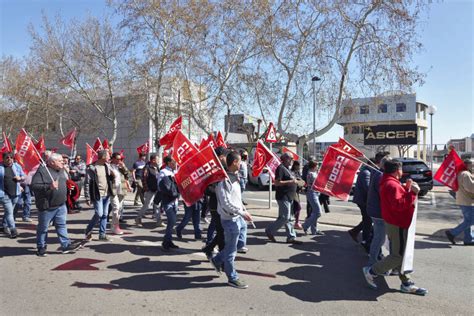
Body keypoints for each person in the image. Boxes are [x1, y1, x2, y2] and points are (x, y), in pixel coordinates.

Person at [363, 160, 428, 295]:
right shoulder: (391, 184)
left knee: (401, 254)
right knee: (397, 256)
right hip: (397, 223)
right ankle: (371, 271)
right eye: (401, 169)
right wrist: (413, 193)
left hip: (395, 222)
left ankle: (406, 282)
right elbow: (399, 204)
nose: (402, 171)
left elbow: (396, 198)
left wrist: (406, 188)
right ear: (396, 170)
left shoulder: (389, 181)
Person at [210, 151, 253, 289]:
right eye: (239, 161)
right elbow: (226, 203)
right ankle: (232, 277)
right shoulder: (223, 181)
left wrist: (243, 211)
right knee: (231, 250)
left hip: (238, 218)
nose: (241, 164)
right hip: (229, 220)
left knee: (239, 243)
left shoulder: (235, 178)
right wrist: (241, 212)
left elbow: (237, 199)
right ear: (234, 162)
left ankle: (217, 259)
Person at [31, 153, 82, 256]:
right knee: (43, 228)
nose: (63, 162)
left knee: (61, 225)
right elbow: (34, 186)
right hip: (47, 206)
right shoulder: (42, 171)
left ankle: (65, 245)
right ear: (52, 162)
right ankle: (41, 247)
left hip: (61, 204)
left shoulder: (62, 170)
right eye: (60, 160)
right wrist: (49, 186)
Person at [265, 153, 302, 244]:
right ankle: (269, 230)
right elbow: (277, 183)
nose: (292, 160)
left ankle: (291, 237)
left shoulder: (288, 169)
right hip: (283, 196)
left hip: (290, 196)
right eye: (290, 158)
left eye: (292, 159)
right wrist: (291, 181)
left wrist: (298, 182)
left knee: (289, 218)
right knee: (285, 217)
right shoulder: (280, 168)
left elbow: (293, 180)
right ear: (285, 159)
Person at [202, 147, 230, 257]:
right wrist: (220, 191)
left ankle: (209, 248)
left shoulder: (224, 169)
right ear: (221, 157)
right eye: (225, 155)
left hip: (223, 205)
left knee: (221, 231)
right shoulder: (213, 170)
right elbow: (207, 189)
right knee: (221, 231)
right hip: (215, 205)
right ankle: (221, 258)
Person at [366, 152, 391, 266]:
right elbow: (384, 195)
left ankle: (374, 260)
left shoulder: (378, 173)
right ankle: (372, 264)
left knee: (379, 238)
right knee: (379, 239)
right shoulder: (381, 176)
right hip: (378, 212)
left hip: (375, 210)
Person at [84, 150, 115, 241]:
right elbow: (87, 183)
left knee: (105, 215)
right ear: (103, 157)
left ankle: (102, 234)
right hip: (97, 194)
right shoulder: (92, 168)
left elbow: (112, 179)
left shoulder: (107, 166)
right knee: (99, 214)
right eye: (108, 156)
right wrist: (87, 197)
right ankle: (88, 230)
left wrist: (112, 174)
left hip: (107, 194)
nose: (110, 157)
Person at [445, 158, 474, 245]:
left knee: (468, 220)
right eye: (472, 165)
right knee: (471, 220)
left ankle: (468, 239)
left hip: (464, 200)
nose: (473, 167)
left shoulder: (463, 173)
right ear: (467, 165)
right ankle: (452, 233)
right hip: (467, 201)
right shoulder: (465, 174)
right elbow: (471, 188)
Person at [348, 162, 373, 252]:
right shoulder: (366, 172)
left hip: (364, 200)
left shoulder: (368, 171)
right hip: (363, 201)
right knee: (368, 221)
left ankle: (355, 232)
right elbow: (367, 187)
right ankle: (365, 241)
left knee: (368, 220)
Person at [0, 152, 25, 238]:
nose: (9, 159)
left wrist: (20, 178)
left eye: (11, 157)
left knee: (9, 211)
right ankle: (13, 230)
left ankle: (3, 225)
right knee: (10, 212)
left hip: (16, 193)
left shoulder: (17, 166)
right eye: (7, 158)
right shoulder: (0, 167)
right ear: (3, 159)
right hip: (4, 193)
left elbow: (23, 176)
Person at [159, 155, 180, 250]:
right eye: (174, 161)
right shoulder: (163, 172)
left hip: (175, 201)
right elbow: (160, 187)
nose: (175, 163)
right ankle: (165, 242)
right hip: (167, 201)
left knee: (171, 223)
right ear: (168, 163)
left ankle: (169, 240)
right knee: (172, 220)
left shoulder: (175, 172)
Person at [109, 152, 132, 235]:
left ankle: (114, 226)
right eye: (118, 159)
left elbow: (128, 175)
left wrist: (124, 167)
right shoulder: (109, 166)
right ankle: (115, 226)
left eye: (120, 159)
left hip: (121, 189)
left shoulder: (120, 166)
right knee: (116, 208)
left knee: (119, 209)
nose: (119, 161)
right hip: (113, 190)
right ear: (113, 159)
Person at [135, 154, 160, 226]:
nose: (158, 161)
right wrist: (147, 189)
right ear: (153, 160)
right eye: (157, 159)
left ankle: (159, 220)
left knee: (157, 205)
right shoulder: (147, 168)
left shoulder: (157, 167)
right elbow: (144, 179)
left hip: (156, 189)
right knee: (147, 205)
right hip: (150, 190)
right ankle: (138, 218)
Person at [302, 160, 323, 235]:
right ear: (314, 166)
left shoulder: (314, 173)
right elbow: (317, 183)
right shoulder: (310, 173)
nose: (318, 167)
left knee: (314, 213)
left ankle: (314, 230)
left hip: (316, 193)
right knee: (318, 212)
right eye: (317, 165)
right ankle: (305, 225)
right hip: (312, 193)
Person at [290, 160, 304, 230]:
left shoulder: (297, 172)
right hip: (293, 192)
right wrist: (298, 181)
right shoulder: (291, 172)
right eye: (299, 165)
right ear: (295, 165)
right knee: (298, 207)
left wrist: (302, 184)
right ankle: (296, 222)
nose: (300, 167)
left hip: (297, 191)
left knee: (296, 208)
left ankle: (295, 222)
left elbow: (300, 180)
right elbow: (293, 180)